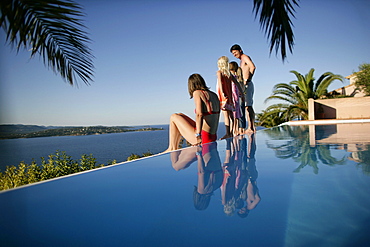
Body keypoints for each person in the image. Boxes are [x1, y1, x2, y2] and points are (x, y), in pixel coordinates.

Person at [164, 74, 220, 152]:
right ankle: (173, 148)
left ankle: (172, 148)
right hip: (212, 136)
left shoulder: (197, 93)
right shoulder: (214, 95)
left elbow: (199, 114)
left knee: (174, 117)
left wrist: (198, 135)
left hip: (203, 137)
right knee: (180, 115)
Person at [230, 44, 256, 133]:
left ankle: (251, 127)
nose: (234, 55)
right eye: (233, 53)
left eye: (235, 52)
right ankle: (250, 126)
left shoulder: (245, 57)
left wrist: (248, 79)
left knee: (248, 106)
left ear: (240, 50)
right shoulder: (241, 60)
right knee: (246, 106)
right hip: (244, 84)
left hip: (247, 83)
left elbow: (252, 67)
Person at [216, 56, 234, 139]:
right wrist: (242, 93)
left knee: (226, 116)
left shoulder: (219, 72)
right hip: (230, 97)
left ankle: (228, 133)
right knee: (231, 116)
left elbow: (220, 83)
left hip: (223, 97)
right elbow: (237, 84)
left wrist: (222, 93)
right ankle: (231, 132)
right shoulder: (229, 74)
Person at [229, 61, 246, 135]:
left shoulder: (231, 77)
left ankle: (235, 130)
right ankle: (237, 129)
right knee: (237, 114)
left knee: (235, 114)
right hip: (236, 96)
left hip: (234, 96)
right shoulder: (236, 77)